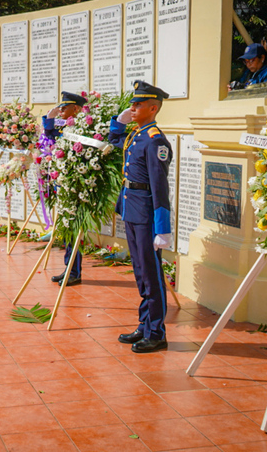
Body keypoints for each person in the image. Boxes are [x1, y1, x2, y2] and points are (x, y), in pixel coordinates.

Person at [108, 81, 173, 354]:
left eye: (137, 105)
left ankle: (156, 332)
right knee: (139, 272)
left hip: (146, 213)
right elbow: (114, 143)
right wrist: (118, 123)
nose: (132, 108)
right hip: (132, 209)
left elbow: (159, 185)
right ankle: (144, 325)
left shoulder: (155, 139)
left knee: (151, 273)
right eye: (132, 104)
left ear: (153, 108)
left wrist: (163, 228)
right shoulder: (137, 135)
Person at [43, 92, 86, 287]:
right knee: (67, 230)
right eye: (60, 107)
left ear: (75, 109)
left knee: (74, 230)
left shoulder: (83, 128)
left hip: (76, 189)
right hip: (64, 186)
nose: (60, 110)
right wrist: (49, 119)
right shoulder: (65, 128)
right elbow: (51, 136)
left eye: (64, 107)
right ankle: (69, 268)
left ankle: (74, 272)